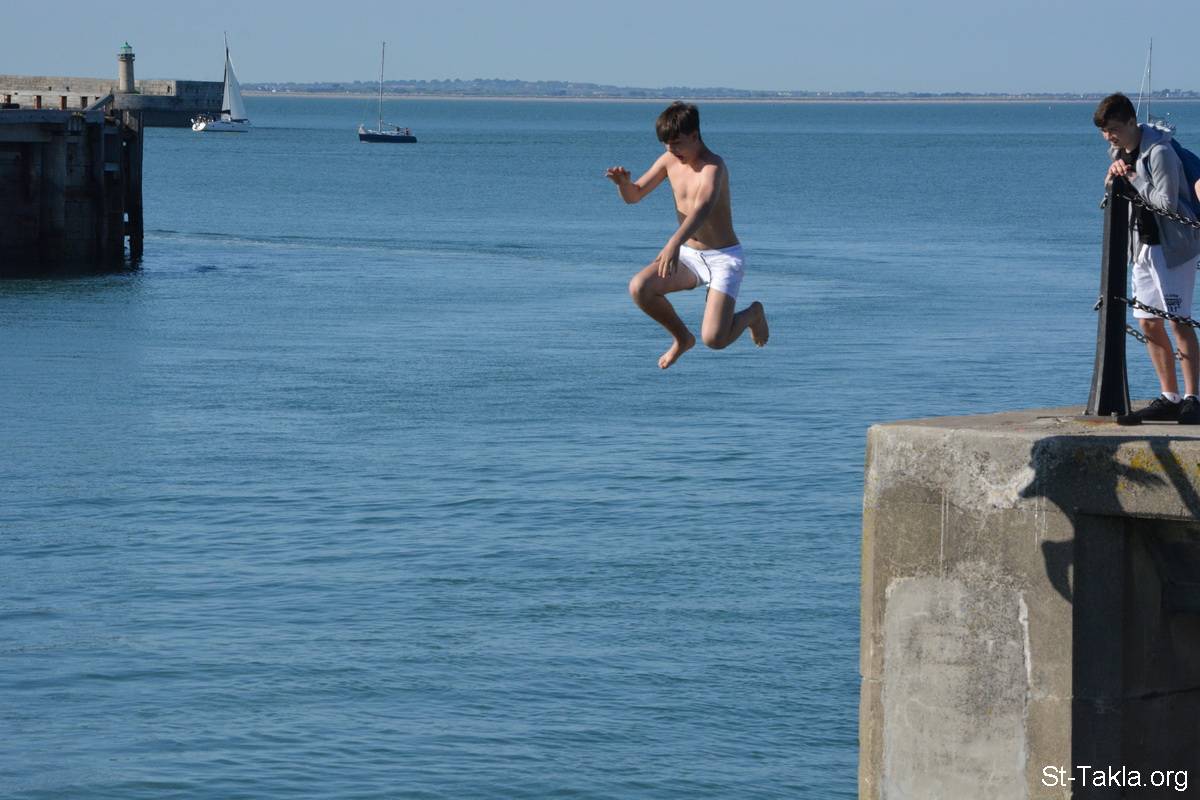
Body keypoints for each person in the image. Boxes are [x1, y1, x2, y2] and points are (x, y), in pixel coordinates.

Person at [606, 102, 768, 370]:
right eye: (666, 145)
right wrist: (623, 185)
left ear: (694, 136)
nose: (671, 150)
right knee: (639, 288)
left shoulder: (713, 167)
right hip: (690, 257)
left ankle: (754, 314)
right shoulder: (669, 160)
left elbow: (703, 209)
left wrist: (673, 242)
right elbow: (634, 196)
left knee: (715, 339)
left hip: (723, 258)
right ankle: (682, 338)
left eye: (677, 144)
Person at [1094, 93, 1200, 424]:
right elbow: (1115, 190)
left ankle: (1193, 397)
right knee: (1148, 321)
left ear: (1131, 122)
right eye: (1104, 131)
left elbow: (1167, 203)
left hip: (1173, 246)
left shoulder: (1160, 152)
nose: (1109, 137)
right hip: (1142, 246)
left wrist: (1132, 178)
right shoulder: (1120, 151)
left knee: (1178, 320)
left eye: (1114, 129)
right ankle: (1169, 396)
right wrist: (1113, 174)